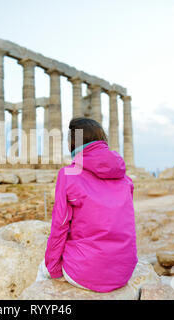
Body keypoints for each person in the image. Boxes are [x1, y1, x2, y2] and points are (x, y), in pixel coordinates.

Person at [36, 117, 138, 293]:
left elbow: (59, 226)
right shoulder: (124, 178)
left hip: (86, 273)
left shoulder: (68, 174)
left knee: (41, 272)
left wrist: (53, 268)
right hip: (124, 272)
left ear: (72, 143)